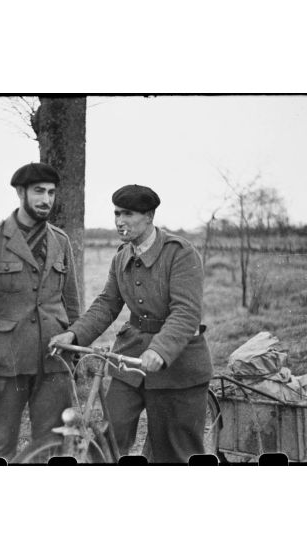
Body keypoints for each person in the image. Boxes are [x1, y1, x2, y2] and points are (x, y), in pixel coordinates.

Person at [50, 184, 213, 463]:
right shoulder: (122, 255)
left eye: (128, 214)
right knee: (108, 438)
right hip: (131, 359)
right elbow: (107, 304)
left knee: (174, 452)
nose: (119, 222)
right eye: (116, 214)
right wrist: (74, 335)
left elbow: (186, 312)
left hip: (177, 365)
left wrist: (160, 350)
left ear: (149, 216)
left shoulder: (180, 253)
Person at [0, 162, 81, 461]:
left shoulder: (60, 241)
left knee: (51, 448)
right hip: (6, 362)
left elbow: (72, 304)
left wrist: (75, 353)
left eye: (52, 192)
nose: (46, 200)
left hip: (54, 360)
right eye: (39, 191)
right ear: (20, 192)